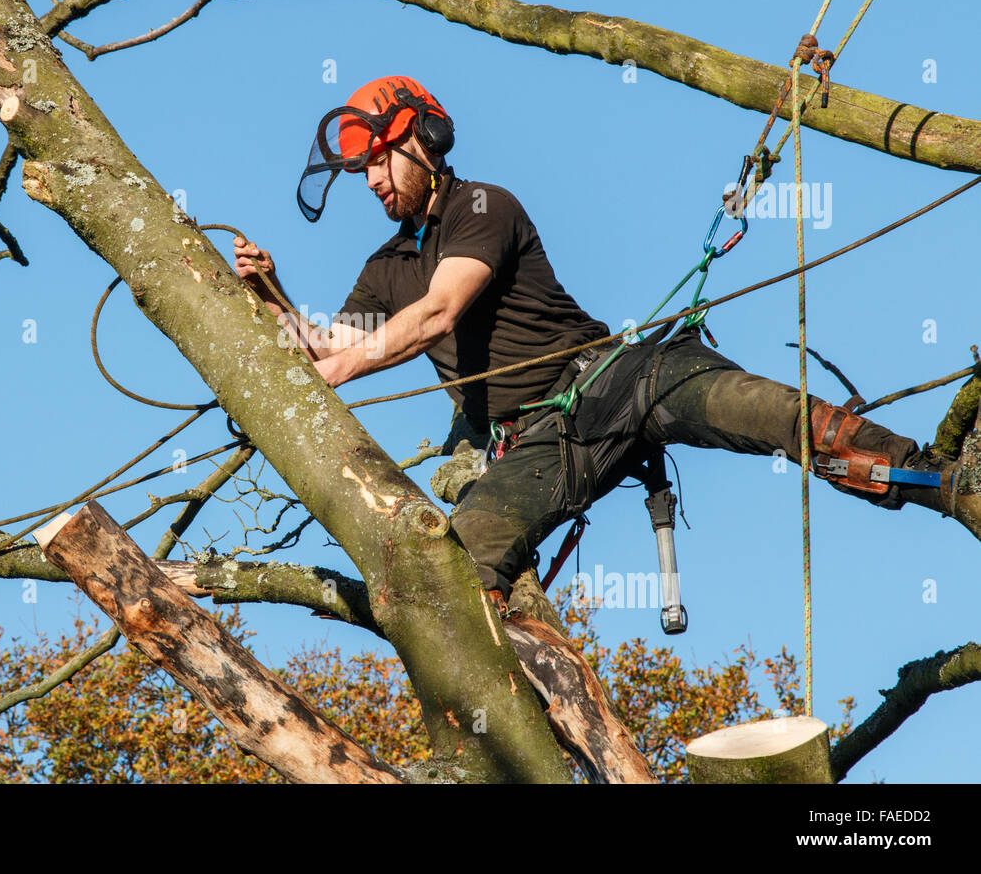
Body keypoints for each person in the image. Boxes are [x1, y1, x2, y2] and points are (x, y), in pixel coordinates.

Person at [234, 75, 979, 614]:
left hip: (624, 376)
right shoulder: (384, 269)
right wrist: (266, 295)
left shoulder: (483, 207)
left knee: (774, 414)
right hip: (541, 441)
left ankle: (944, 484)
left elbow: (437, 313)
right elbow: (326, 344)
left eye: (377, 160)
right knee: (462, 567)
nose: (368, 181)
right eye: (359, 167)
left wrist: (336, 367)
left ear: (424, 144)